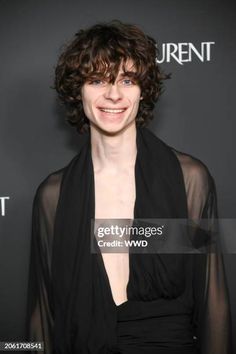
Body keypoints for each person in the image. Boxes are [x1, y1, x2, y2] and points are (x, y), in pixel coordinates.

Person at [27, 20, 232, 354]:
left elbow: (214, 303)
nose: (113, 94)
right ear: (77, 90)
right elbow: (42, 315)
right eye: (96, 80)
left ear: (142, 89)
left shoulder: (190, 179)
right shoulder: (53, 195)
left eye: (127, 79)